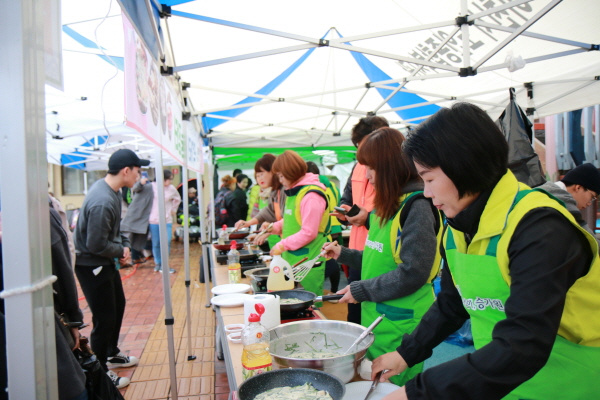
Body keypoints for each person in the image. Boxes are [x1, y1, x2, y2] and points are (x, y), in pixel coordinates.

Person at [372, 103, 600, 400]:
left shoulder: (541, 228)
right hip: (496, 382)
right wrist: (406, 353)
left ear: (463, 166)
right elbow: (453, 303)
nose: (426, 193)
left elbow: (523, 345)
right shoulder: (458, 223)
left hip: (565, 385)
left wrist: (415, 393)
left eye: (428, 179)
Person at [322, 128, 441, 385]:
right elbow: (379, 258)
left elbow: (414, 271)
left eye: (371, 168)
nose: (367, 176)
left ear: (389, 166)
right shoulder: (386, 206)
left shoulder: (417, 207)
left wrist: (361, 289)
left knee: (393, 389)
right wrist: (343, 253)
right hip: (377, 320)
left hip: (401, 325)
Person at [74, 149, 148, 388]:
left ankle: (111, 352)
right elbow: (95, 244)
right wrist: (120, 250)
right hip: (92, 265)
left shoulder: (112, 192)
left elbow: (115, 232)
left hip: (103, 262)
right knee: (104, 317)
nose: (139, 176)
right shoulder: (102, 201)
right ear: (126, 171)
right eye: (137, 171)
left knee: (117, 306)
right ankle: (101, 373)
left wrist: (123, 245)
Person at [334, 115, 389, 324]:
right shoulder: (358, 166)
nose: (360, 153)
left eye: (364, 145)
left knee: (377, 311)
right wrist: (346, 213)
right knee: (355, 311)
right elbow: (347, 198)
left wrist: (367, 217)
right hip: (358, 248)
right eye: (358, 146)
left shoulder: (392, 169)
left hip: (381, 247)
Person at [269, 151, 330, 299]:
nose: (280, 180)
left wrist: (281, 245)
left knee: (309, 303)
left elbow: (309, 232)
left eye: (282, 175)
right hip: (294, 258)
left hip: (308, 261)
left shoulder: (311, 196)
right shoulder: (297, 192)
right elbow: (294, 219)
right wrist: (274, 227)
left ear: (291, 172)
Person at [50, 200, 88, 400]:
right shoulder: (40, 213)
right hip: (46, 314)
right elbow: (63, 272)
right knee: (71, 386)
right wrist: (74, 319)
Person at [234, 154, 286, 249]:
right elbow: (269, 212)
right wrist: (248, 223)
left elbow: (288, 219)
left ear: (273, 171)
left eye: (261, 174)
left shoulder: (284, 190)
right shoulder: (275, 191)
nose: (259, 178)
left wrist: (264, 233)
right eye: (257, 176)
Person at [306, 161, 342, 297]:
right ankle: (334, 290)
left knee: (327, 257)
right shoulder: (332, 185)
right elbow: (339, 202)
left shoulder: (313, 188)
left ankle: (330, 292)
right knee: (333, 257)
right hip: (335, 224)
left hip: (323, 225)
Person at [537, 162, 600, 236]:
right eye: (592, 197)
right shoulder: (565, 205)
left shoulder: (539, 191)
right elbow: (588, 239)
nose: (589, 203)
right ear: (578, 187)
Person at [149, 170, 181, 273]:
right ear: (163, 179)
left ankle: (165, 264)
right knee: (156, 242)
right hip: (154, 219)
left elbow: (177, 198)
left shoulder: (171, 189)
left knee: (166, 241)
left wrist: (173, 210)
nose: (171, 181)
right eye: (170, 179)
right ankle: (158, 263)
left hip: (166, 219)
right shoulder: (151, 186)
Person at [121, 171, 154, 265]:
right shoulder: (134, 185)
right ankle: (128, 258)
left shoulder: (147, 186)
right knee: (129, 237)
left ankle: (136, 257)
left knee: (138, 238)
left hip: (141, 216)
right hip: (132, 215)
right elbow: (131, 193)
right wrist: (140, 183)